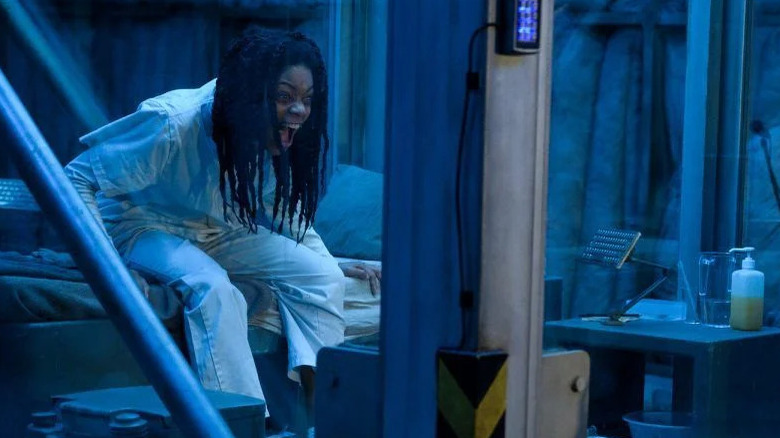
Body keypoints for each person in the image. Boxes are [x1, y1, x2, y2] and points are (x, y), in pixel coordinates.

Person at [64, 26, 379, 433]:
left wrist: (331, 261)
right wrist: (109, 266)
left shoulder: (272, 137)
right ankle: (241, 425)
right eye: (284, 96)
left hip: (216, 229)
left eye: (307, 99)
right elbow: (77, 178)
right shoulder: (172, 122)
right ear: (251, 93)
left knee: (322, 276)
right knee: (214, 289)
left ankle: (320, 418)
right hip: (139, 223)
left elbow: (279, 208)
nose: (300, 110)